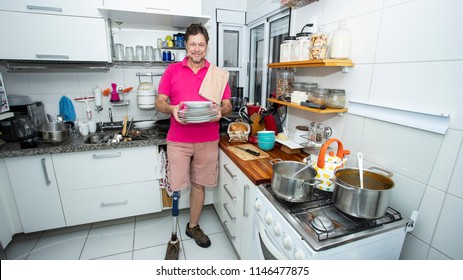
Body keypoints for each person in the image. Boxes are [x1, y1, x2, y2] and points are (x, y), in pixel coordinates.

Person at [155, 23, 232, 259]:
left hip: (208, 139)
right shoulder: (172, 71)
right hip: (178, 139)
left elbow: (228, 104)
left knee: (200, 184)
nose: (197, 49)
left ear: (207, 46)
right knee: (177, 186)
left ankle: (192, 226)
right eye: (192, 44)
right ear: (186, 46)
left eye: (201, 44)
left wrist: (222, 110)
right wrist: (171, 108)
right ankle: (174, 233)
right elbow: (160, 102)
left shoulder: (217, 74)